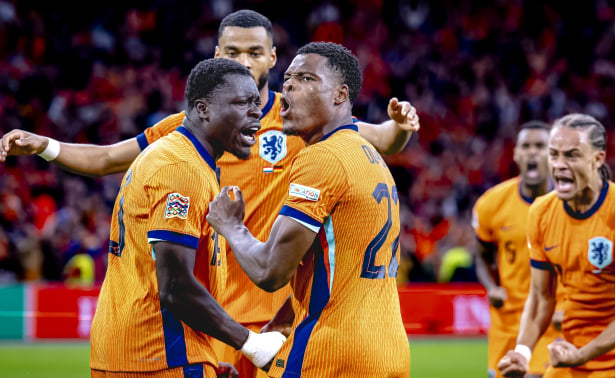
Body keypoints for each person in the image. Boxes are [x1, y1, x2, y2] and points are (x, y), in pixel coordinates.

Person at [0, 9, 419, 378]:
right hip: (211, 311)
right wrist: (47, 146)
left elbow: (379, 137)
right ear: (217, 56)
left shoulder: (301, 122)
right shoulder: (190, 128)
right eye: (234, 52)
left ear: (272, 58)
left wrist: (400, 125)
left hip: (275, 313)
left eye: (255, 52)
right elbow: (110, 156)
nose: (245, 61)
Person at [207, 41, 410, 377]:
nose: (288, 85)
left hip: (331, 353)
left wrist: (231, 226)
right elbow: (340, 261)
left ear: (340, 95)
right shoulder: (367, 153)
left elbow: (271, 272)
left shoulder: (321, 157)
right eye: (287, 78)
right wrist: (285, 318)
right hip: (387, 349)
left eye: (305, 79)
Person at [90, 58, 287, 377]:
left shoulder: (177, 157)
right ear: (203, 108)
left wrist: (203, 356)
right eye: (241, 103)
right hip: (160, 356)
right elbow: (175, 286)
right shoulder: (181, 169)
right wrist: (250, 343)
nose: (255, 113)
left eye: (255, 103)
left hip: (144, 352)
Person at [497, 113, 615, 378]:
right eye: (554, 155)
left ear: (598, 159)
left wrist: (582, 354)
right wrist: (523, 352)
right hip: (573, 355)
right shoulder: (541, 212)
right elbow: (542, 297)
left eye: (572, 155)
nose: (559, 165)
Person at [472, 121, 563, 378]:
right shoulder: (492, 203)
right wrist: (492, 287)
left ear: (552, 154)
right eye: (526, 146)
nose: (532, 152)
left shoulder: (568, 205)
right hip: (507, 320)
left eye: (540, 146)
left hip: (550, 319)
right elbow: (481, 257)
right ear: (515, 154)